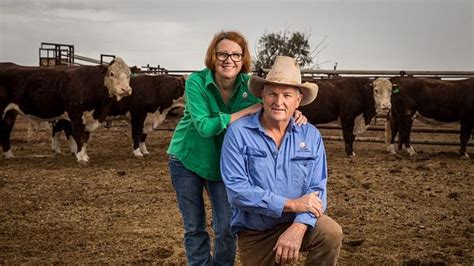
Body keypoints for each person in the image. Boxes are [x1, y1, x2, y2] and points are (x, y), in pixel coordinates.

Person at [167, 32, 307, 265]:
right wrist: (244, 112)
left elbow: (274, 105)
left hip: (226, 163)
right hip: (187, 158)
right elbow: (204, 126)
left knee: (226, 226)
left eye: (235, 55)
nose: (228, 60)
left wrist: (294, 113)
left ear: (243, 60)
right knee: (194, 225)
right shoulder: (196, 82)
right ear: (213, 56)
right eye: (222, 54)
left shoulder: (250, 86)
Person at [221, 56, 343, 265]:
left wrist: (299, 226)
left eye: (287, 95)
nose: (279, 102)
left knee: (331, 232)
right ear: (262, 95)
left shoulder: (310, 135)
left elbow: (318, 189)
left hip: (297, 222)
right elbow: (237, 191)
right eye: (273, 94)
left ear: (298, 100)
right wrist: (292, 204)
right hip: (256, 231)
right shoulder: (238, 132)